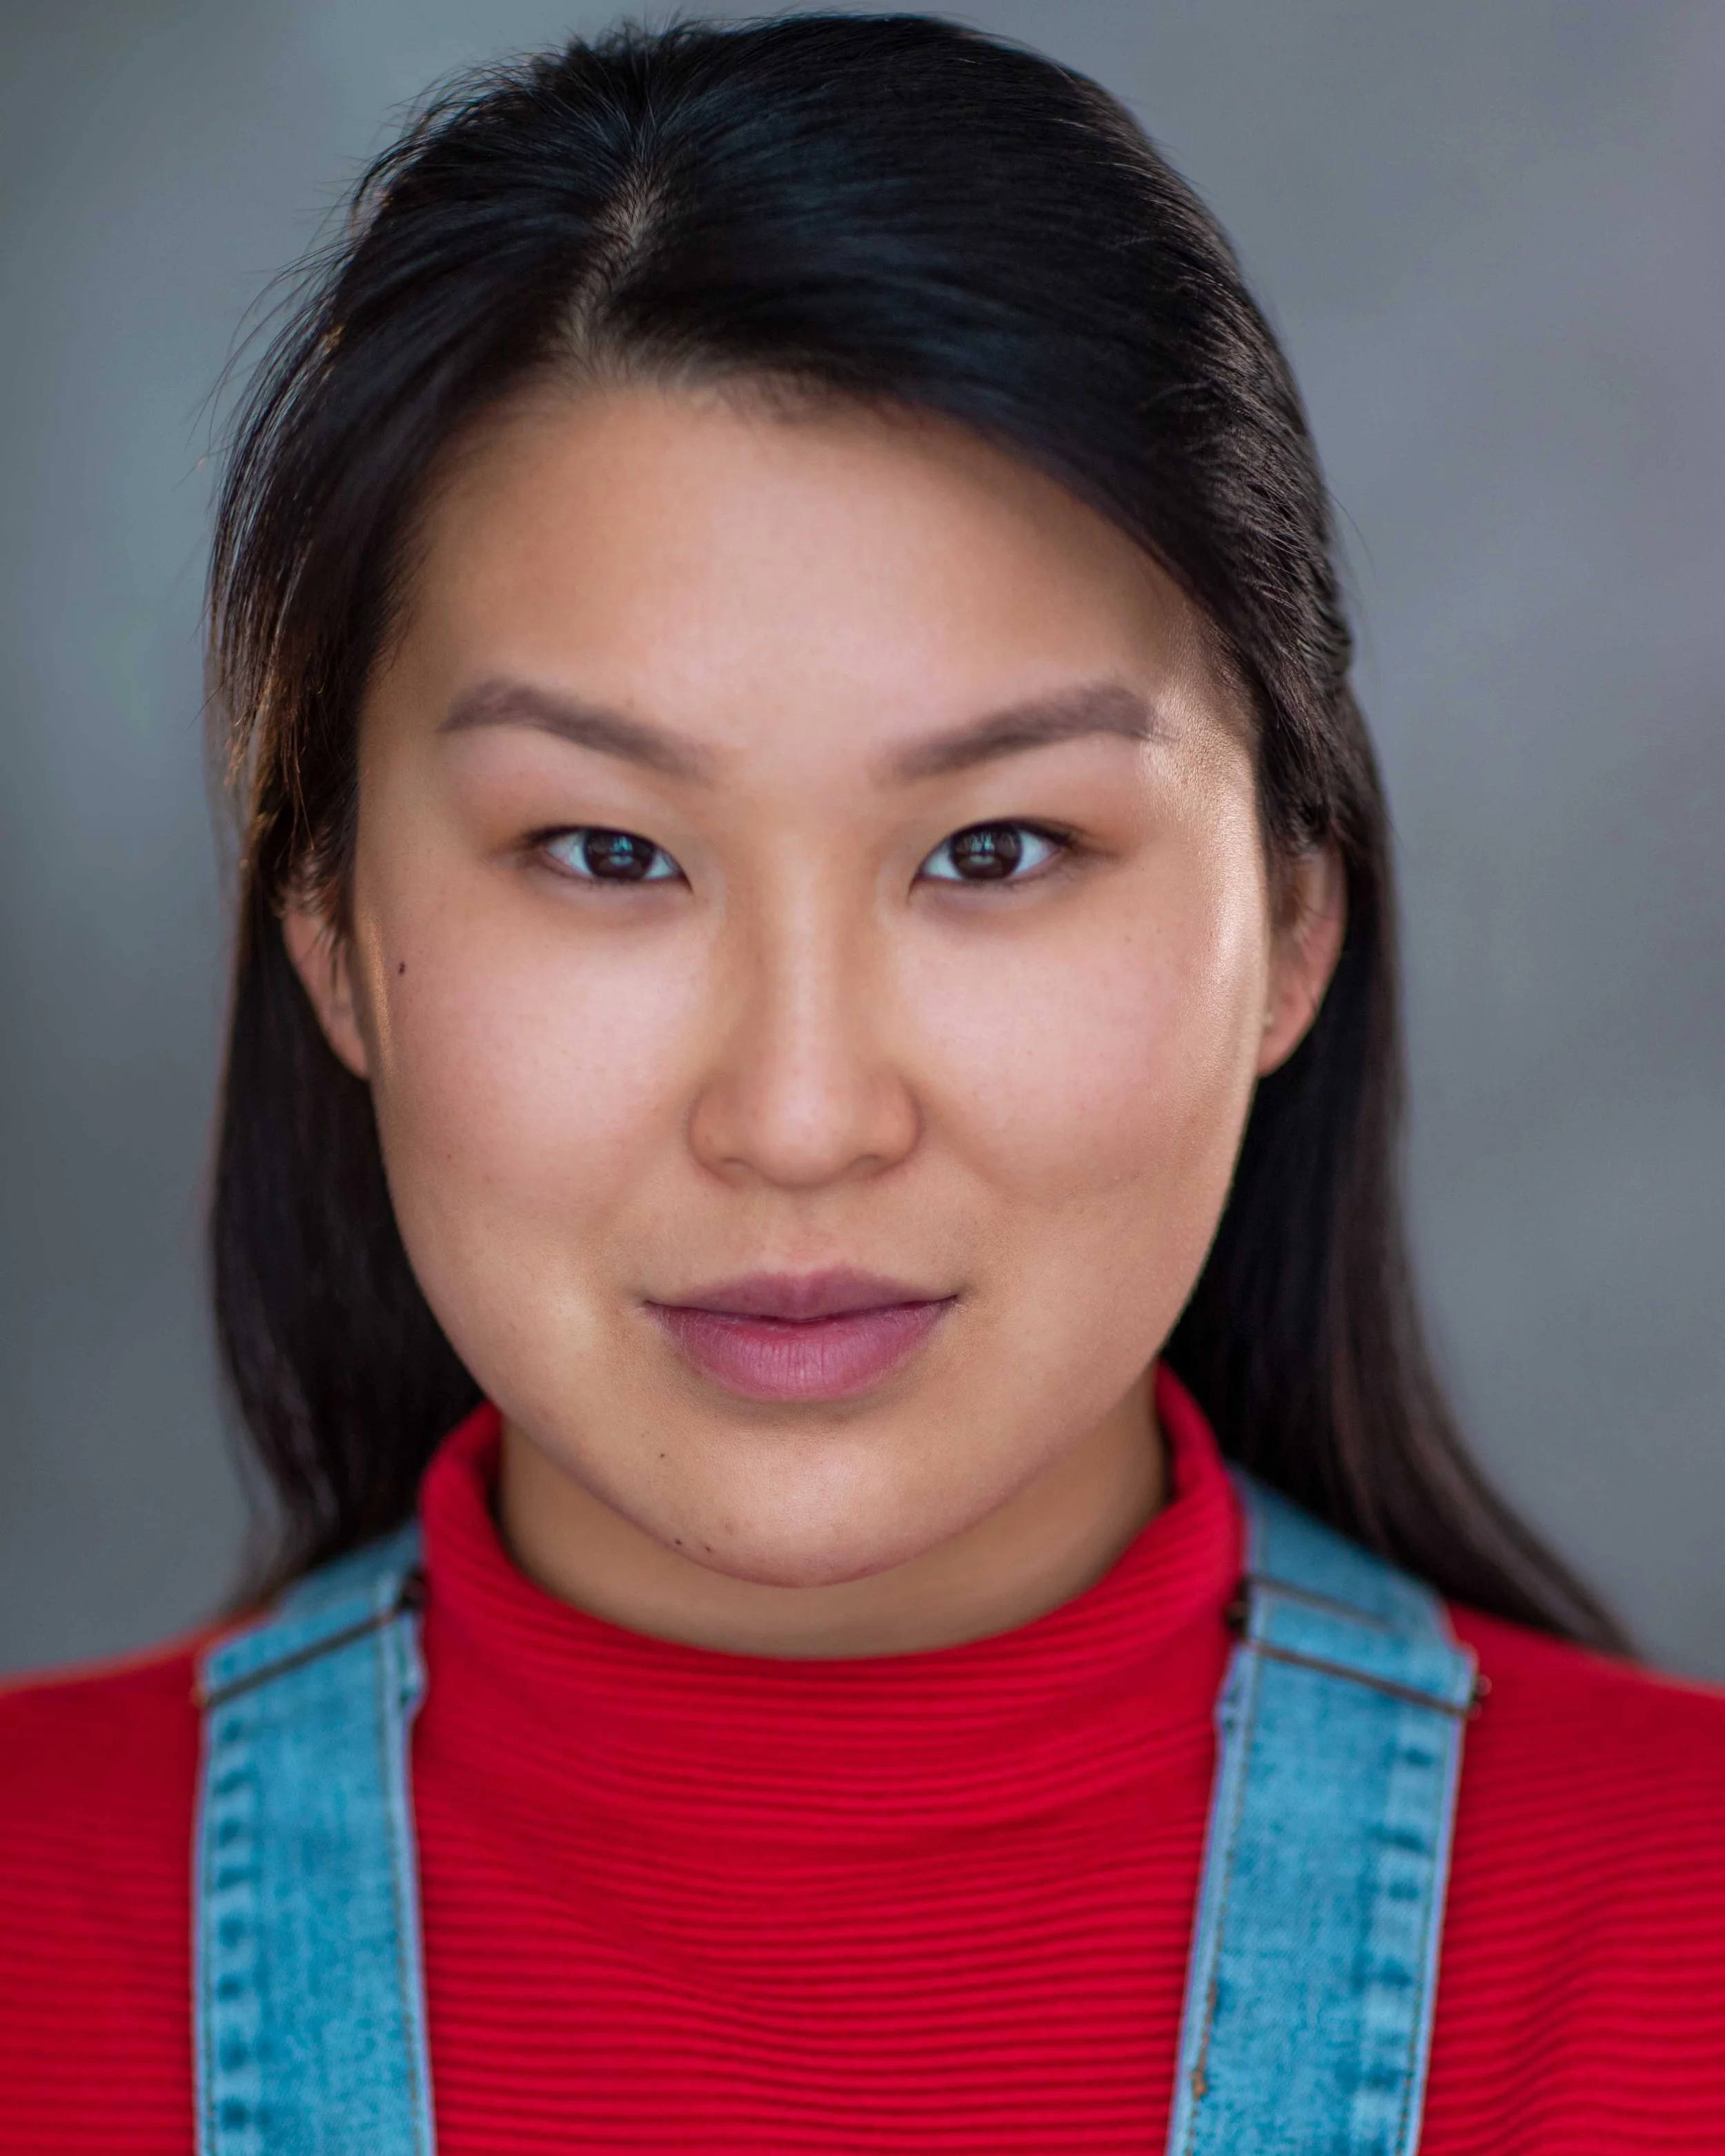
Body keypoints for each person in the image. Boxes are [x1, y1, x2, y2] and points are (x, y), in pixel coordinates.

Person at [1, 15, 1719, 2153]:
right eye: (605, 852)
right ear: (333, 927)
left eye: (994, 850)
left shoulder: (1677, 1947)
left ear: (1291, 920)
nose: (800, 1115)